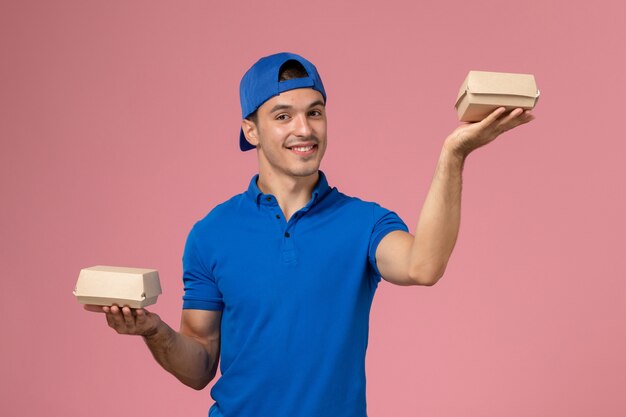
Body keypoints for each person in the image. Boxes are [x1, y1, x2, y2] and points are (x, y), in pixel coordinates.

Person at [85, 52, 534, 416]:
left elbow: (424, 265)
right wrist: (153, 331)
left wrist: (453, 154)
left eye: (314, 112)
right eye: (283, 115)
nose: (304, 129)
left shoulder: (365, 223)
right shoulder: (211, 234)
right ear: (251, 130)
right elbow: (200, 364)